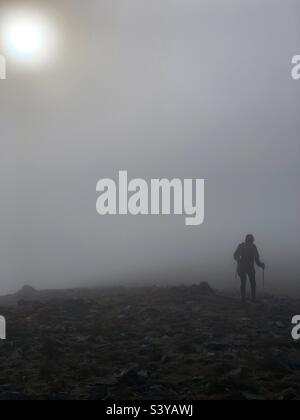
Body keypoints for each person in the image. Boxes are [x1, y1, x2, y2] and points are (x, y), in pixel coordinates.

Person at [234, 234, 265, 303]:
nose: (251, 242)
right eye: (251, 240)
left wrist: (238, 259)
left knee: (247, 282)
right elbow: (236, 255)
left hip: (244, 267)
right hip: (247, 267)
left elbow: (235, 255)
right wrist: (261, 265)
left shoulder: (243, 246)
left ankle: (246, 299)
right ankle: (250, 299)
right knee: (250, 283)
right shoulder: (251, 247)